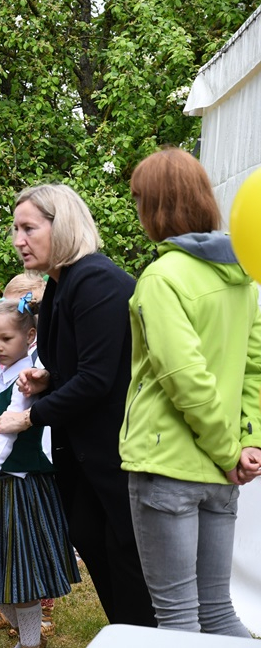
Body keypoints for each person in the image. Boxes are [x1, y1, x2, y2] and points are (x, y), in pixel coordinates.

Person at [0, 183, 156, 627]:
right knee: (88, 534)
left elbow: (99, 379)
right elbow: (80, 365)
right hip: (84, 448)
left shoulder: (96, 280)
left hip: (117, 448)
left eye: (28, 228)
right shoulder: (60, 284)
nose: (18, 240)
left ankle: (142, 634)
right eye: (15, 229)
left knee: (126, 556)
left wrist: (28, 416)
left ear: (60, 225)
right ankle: (125, 632)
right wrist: (48, 379)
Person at [120, 148, 261, 634]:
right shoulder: (242, 279)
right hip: (222, 471)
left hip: (168, 467)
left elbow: (185, 376)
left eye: (139, 200)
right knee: (218, 612)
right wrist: (247, 444)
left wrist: (230, 451)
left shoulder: (161, 278)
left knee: (178, 618)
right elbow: (254, 371)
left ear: (153, 206)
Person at [0, 297, 80, 648]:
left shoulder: (28, 379)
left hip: (23, 485)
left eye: (6, 339)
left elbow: (7, 432)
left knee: (20, 572)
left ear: (30, 336)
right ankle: (29, 638)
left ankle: (30, 643)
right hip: (0, 484)